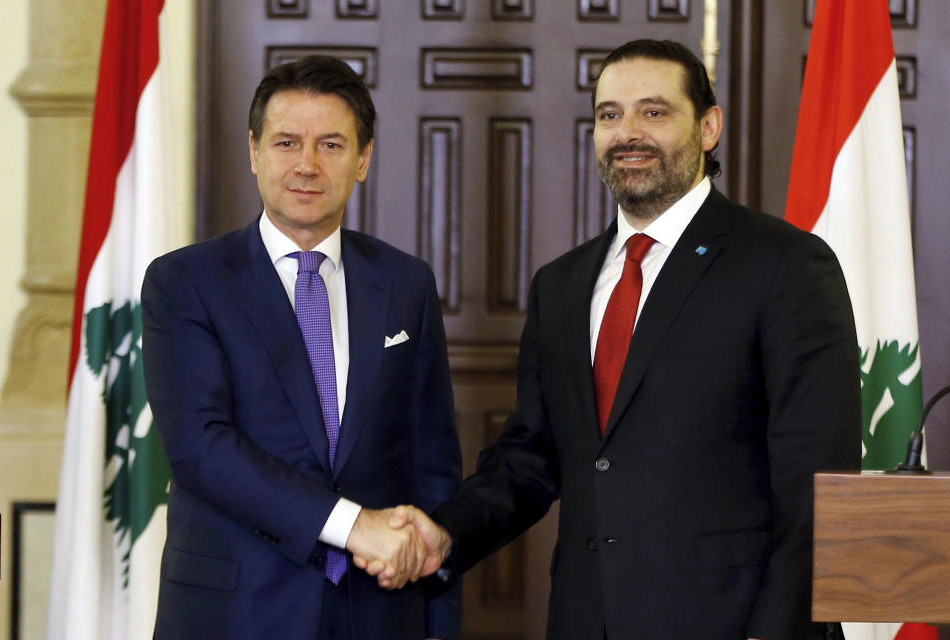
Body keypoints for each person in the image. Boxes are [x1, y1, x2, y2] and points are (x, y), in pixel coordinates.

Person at [366, 39, 860, 639]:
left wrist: (777, 630)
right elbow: (530, 458)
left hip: (730, 623)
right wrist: (445, 532)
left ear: (708, 127)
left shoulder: (786, 265)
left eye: (653, 112)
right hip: (586, 618)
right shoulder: (563, 284)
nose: (627, 132)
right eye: (609, 115)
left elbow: (817, 477)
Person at [142, 55, 462, 640]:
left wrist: (437, 615)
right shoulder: (185, 282)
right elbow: (200, 447)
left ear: (363, 159)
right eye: (287, 142)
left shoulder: (406, 283)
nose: (307, 165)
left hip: (380, 611)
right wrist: (352, 525)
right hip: (235, 612)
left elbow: (431, 464)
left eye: (332, 145)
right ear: (254, 152)